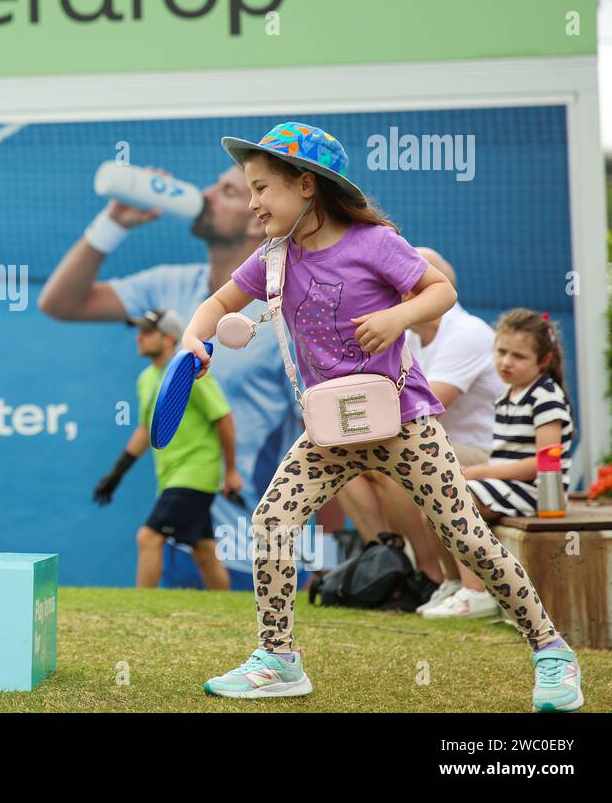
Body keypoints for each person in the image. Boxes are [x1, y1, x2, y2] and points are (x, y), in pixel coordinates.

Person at [181, 121, 582, 712]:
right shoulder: (271, 261)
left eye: (264, 188)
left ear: (308, 187)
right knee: (271, 522)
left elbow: (439, 291)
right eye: (250, 188)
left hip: (405, 423)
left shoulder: (374, 243)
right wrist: (194, 337)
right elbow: (218, 305)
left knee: (465, 535)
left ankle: (552, 653)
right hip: (328, 434)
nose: (254, 201)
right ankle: (278, 660)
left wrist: (397, 320)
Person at [40, 163, 305, 581]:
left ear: (259, 221)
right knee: (190, 567)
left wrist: (326, 555)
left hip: (256, 536)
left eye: (229, 192)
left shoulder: (286, 308)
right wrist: (113, 222)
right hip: (192, 514)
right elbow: (60, 303)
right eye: (214, 185)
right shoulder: (169, 284)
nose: (208, 195)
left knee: (159, 543)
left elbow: (315, 432)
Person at [335, 248, 506, 614]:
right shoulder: (410, 337)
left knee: (398, 463)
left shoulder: (467, 333)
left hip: (485, 453)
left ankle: (434, 577)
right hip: (439, 443)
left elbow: (425, 410)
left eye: (391, 285)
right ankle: (394, 568)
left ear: (412, 291)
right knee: (345, 468)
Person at [421, 308, 575, 619]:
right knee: (432, 500)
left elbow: (545, 462)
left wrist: (480, 472)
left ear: (543, 361)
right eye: (502, 352)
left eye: (518, 356)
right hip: (507, 485)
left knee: (456, 500)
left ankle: (477, 593)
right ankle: (455, 583)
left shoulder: (545, 397)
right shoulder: (508, 394)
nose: (506, 362)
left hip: (536, 491)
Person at [91, 309, 242, 590]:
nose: (139, 337)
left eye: (147, 332)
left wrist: (230, 471)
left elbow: (224, 417)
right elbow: (146, 430)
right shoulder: (146, 379)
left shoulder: (191, 373)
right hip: (171, 476)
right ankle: (227, 605)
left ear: (169, 338)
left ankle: (140, 610)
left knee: (148, 537)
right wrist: (116, 474)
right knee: (205, 551)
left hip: (195, 472)